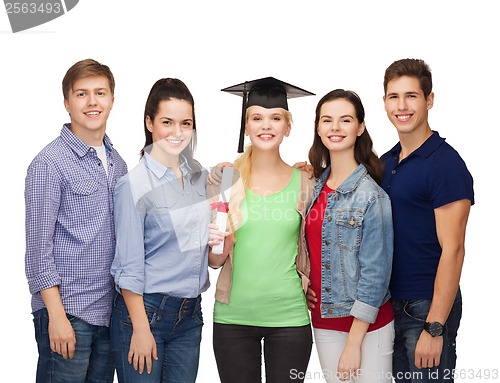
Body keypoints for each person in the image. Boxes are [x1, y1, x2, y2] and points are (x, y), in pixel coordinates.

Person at [24, 58, 128, 383]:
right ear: (67, 103)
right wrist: (56, 316)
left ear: (112, 99)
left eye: (100, 92)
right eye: (82, 94)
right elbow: (38, 250)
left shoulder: (118, 164)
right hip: (68, 313)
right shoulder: (49, 163)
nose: (92, 101)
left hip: (108, 315)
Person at [207, 77, 315, 383]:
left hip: (290, 319)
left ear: (287, 127)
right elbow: (215, 261)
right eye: (256, 118)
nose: (265, 126)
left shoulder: (305, 183)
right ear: (246, 126)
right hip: (233, 319)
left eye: (275, 118)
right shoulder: (227, 181)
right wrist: (222, 225)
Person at [110, 78, 212, 383]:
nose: (177, 132)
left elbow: (208, 251)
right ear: (149, 123)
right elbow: (128, 266)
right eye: (167, 122)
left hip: (190, 316)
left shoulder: (200, 178)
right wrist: (140, 328)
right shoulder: (134, 185)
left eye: (186, 122)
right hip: (146, 313)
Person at [380, 58, 474, 382]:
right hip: (389, 307)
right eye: (394, 97)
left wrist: (435, 327)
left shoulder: (445, 164)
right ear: (384, 102)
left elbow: (454, 250)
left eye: (411, 96)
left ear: (429, 99)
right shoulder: (387, 161)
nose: (402, 106)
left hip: (425, 309)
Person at [305, 89, 394, 383]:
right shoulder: (314, 188)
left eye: (345, 120)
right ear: (318, 128)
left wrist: (355, 342)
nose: (335, 128)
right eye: (327, 120)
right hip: (324, 321)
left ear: (360, 127)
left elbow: (375, 273)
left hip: (368, 327)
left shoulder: (372, 196)